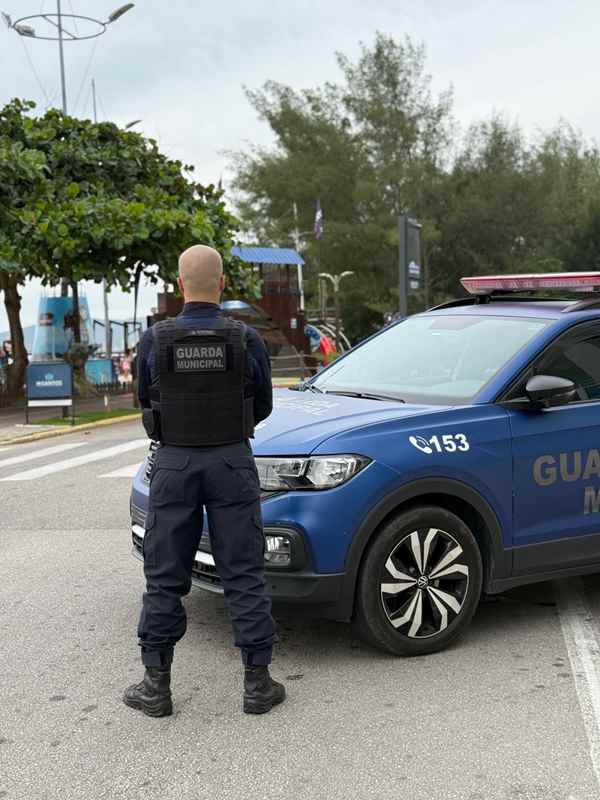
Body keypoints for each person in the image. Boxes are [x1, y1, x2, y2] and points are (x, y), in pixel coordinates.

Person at [123, 245, 284, 718]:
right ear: (221, 284)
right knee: (244, 572)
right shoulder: (244, 338)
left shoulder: (156, 339)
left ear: (179, 284)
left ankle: (156, 687)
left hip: (174, 463)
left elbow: (144, 399)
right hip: (231, 461)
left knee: (164, 576)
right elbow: (265, 403)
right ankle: (257, 685)